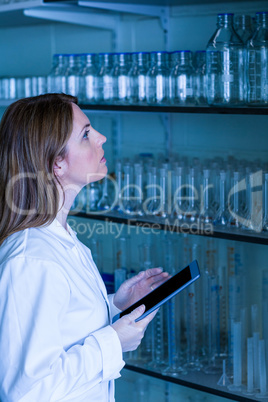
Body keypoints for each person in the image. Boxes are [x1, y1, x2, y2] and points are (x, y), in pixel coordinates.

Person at [0, 93, 169, 402]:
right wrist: (113, 342)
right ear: (56, 164)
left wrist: (114, 305)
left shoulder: (59, 238)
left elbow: (60, 325)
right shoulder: (33, 259)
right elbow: (26, 393)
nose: (101, 138)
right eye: (86, 134)